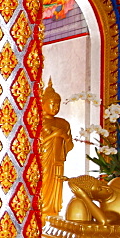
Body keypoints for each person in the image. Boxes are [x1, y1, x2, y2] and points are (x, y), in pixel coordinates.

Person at [39, 79, 74, 216]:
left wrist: (64, 137)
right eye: (52, 104)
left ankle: (52, 209)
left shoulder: (63, 123)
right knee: (43, 181)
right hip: (43, 159)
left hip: (57, 159)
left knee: (56, 181)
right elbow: (33, 144)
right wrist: (53, 135)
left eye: (58, 105)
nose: (55, 108)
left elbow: (70, 145)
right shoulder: (37, 121)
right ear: (43, 104)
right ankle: (41, 209)